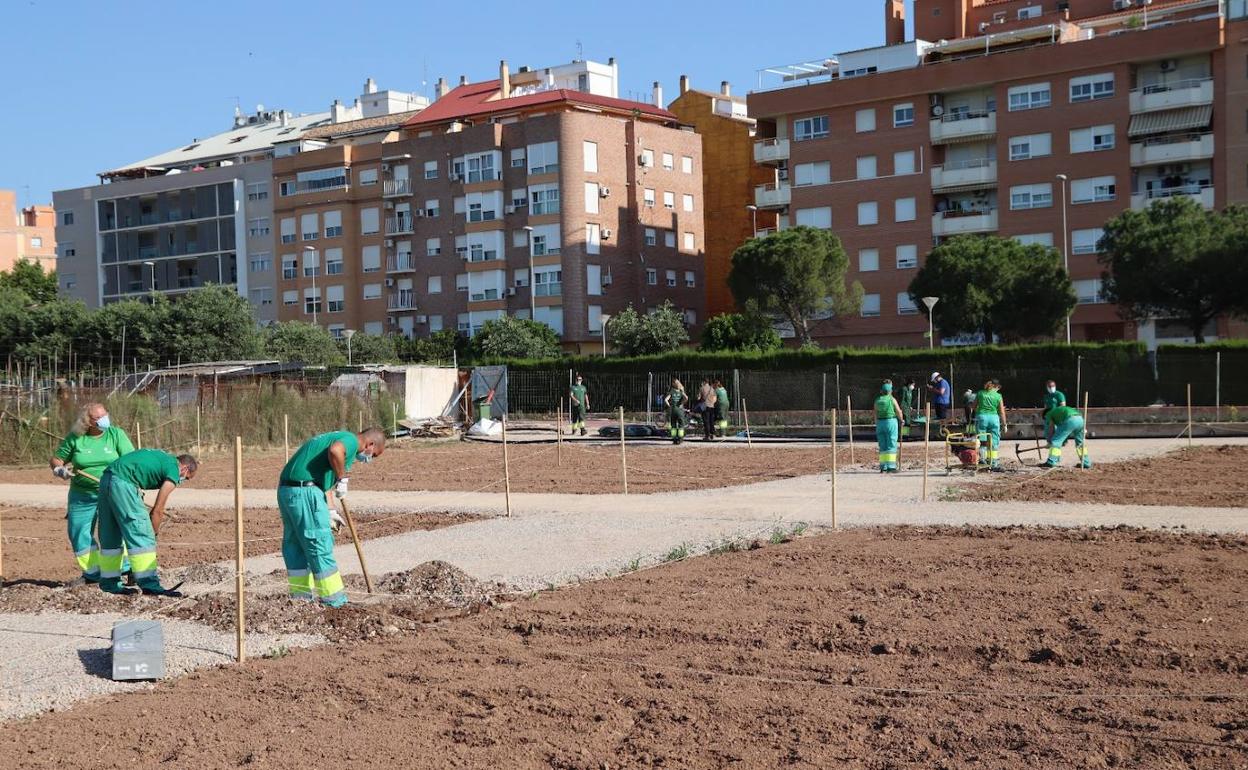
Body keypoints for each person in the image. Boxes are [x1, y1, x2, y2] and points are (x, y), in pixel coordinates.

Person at [277, 428, 386, 606]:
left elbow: (325, 485)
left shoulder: (332, 440)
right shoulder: (350, 441)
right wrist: (343, 478)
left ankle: (300, 600)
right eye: (373, 455)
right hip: (305, 491)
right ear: (370, 444)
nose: (368, 459)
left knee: (295, 545)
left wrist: (331, 511)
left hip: (288, 490)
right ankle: (335, 601)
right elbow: (336, 450)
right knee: (318, 544)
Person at [49, 403, 135, 584]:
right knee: (78, 531)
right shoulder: (76, 438)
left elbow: (129, 461)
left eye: (105, 414)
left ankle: (125, 569)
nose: (105, 419)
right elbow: (57, 458)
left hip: (111, 492)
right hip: (82, 495)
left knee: (114, 531)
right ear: (88, 421)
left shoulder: (116, 435)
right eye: (99, 418)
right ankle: (93, 573)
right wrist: (59, 469)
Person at [96, 449, 198, 596]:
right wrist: (153, 534)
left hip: (106, 478)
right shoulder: (174, 469)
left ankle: (109, 584)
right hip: (123, 482)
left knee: (110, 534)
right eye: (186, 478)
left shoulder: (162, 458)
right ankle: (150, 584)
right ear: (185, 468)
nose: (181, 481)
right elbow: (157, 510)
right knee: (142, 533)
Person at [973, 379, 1007, 471]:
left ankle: (982, 460)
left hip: (982, 417)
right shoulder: (998, 396)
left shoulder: (980, 393)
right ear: (996, 386)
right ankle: (993, 462)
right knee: (994, 440)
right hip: (994, 419)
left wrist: (979, 412)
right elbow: (1002, 411)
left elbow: (973, 406)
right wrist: (1004, 424)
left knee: (982, 440)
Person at [874, 380, 904, 473]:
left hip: (880, 423)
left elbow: (875, 413)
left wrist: (877, 423)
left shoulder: (877, 400)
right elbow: (898, 411)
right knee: (891, 444)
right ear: (890, 391)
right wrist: (901, 420)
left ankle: (883, 466)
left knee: (882, 445)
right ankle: (891, 466)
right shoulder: (891, 399)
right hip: (890, 422)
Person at [663, 379, 688, 445]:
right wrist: (682, 403)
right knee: (681, 425)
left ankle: (674, 439)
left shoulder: (672, 391)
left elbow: (666, 400)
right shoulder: (681, 391)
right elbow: (686, 398)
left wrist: (669, 406)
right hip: (679, 410)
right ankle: (680, 438)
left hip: (673, 410)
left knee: (673, 424)